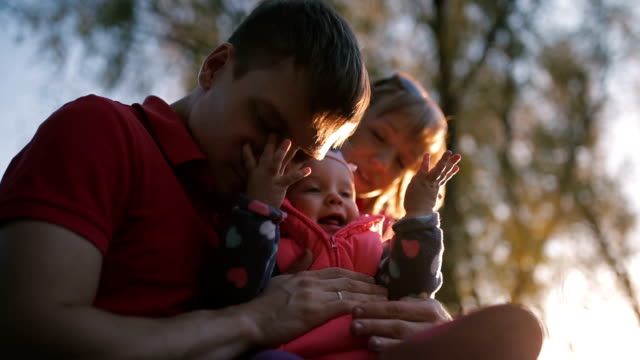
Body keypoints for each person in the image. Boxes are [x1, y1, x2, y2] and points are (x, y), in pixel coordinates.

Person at [0, 1, 414, 358]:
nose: (274, 161)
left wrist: (416, 327)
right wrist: (252, 320)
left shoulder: (286, 213)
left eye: (303, 157)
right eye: (267, 123)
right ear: (215, 68)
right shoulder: (102, 133)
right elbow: (30, 333)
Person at [220, 146, 460, 359]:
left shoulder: (372, 248)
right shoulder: (276, 243)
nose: (335, 198)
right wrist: (261, 207)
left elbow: (413, 287)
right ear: (287, 201)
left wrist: (418, 214)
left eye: (346, 194)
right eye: (313, 189)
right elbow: (238, 285)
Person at [341, 72, 449, 221]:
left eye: (401, 162)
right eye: (379, 136)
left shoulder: (381, 235)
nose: (383, 163)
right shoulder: (299, 171)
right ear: (354, 113)